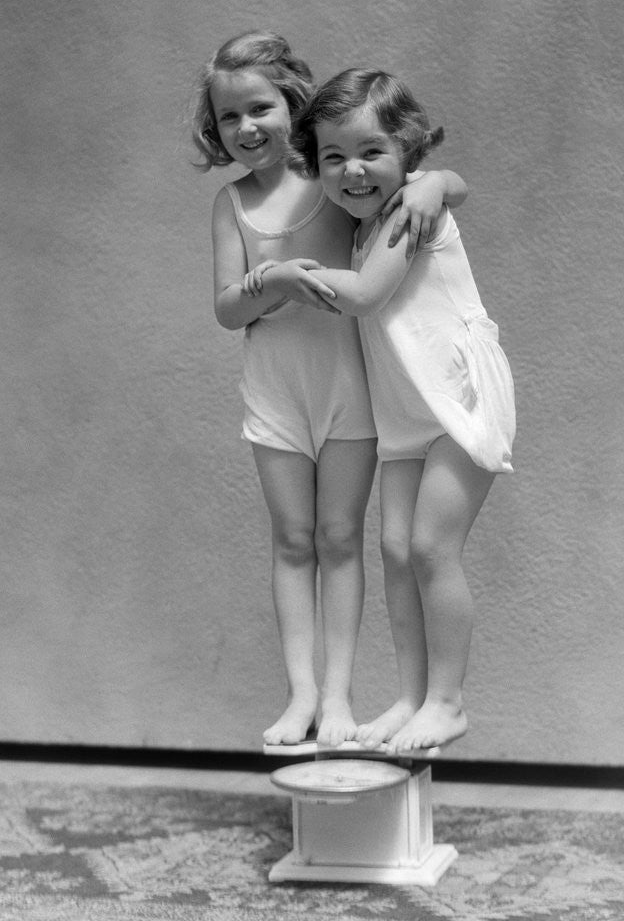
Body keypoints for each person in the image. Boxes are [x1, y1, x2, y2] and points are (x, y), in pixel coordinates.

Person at [191, 33, 468, 748]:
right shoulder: (232, 205)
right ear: (215, 129)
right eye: (229, 118)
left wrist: (438, 182)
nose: (248, 127)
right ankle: (302, 696)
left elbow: (423, 186)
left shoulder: (335, 181)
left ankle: (341, 698)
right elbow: (227, 310)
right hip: (276, 389)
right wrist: (270, 280)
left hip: (348, 386)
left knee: (340, 537)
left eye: (261, 107)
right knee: (291, 540)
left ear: (293, 104)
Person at [246, 68, 515, 754]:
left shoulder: (409, 213)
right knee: (395, 552)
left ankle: (447, 701)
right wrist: (438, 178)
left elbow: (364, 296)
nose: (352, 171)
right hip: (404, 411)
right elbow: (445, 180)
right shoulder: (364, 224)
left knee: (429, 546)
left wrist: (280, 276)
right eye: (333, 158)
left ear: (406, 151)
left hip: (455, 398)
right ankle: (411, 696)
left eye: (370, 153)